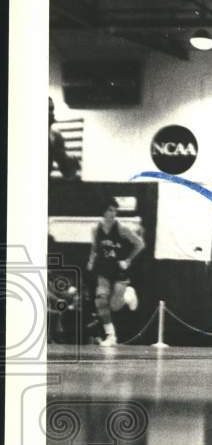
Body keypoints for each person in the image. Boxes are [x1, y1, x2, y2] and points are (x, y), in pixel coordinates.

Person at [86, 198, 144, 347]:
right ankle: (111, 336)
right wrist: (91, 260)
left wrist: (128, 260)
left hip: (119, 270)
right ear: (103, 211)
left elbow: (139, 244)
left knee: (114, 306)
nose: (112, 213)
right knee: (100, 302)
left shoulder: (121, 229)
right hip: (103, 270)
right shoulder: (96, 230)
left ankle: (128, 294)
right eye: (109, 210)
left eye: (114, 210)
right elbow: (94, 248)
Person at [49, 97, 80, 180]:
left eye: (52, 109)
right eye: (49, 109)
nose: (52, 113)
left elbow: (68, 173)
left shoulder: (55, 135)